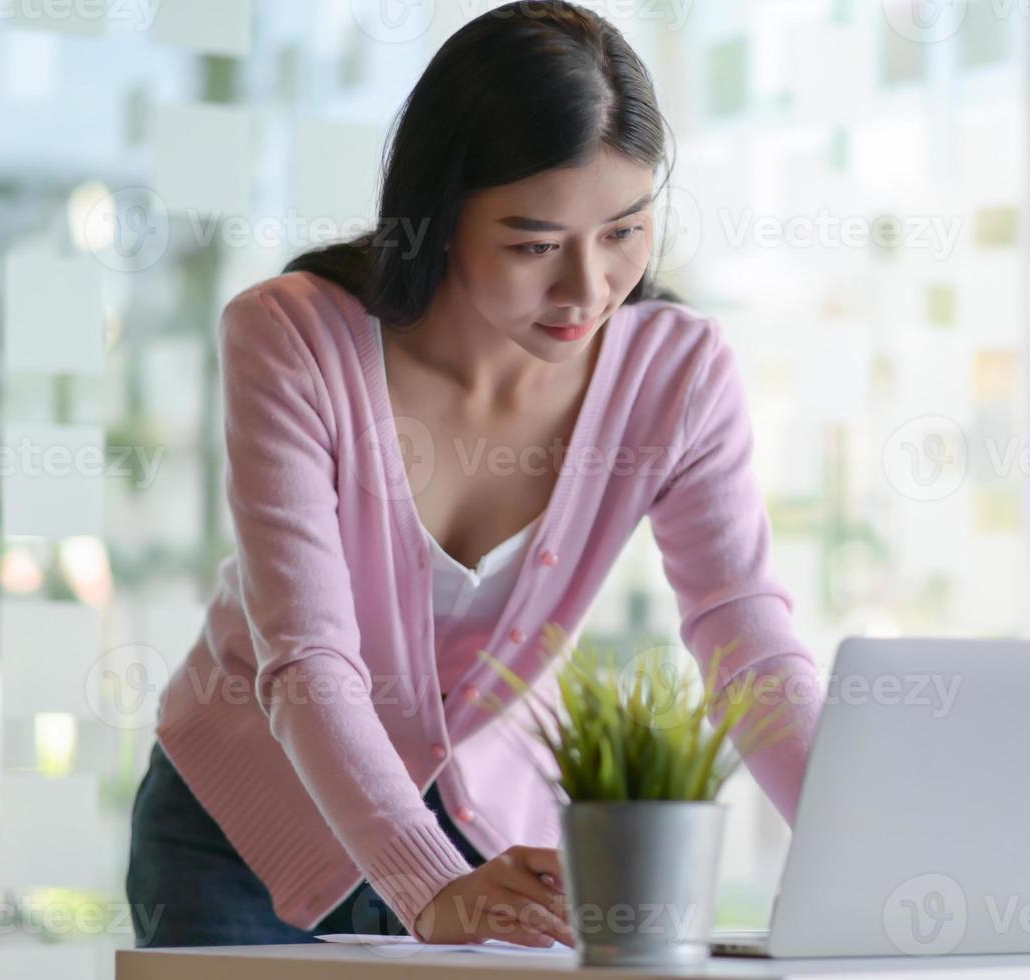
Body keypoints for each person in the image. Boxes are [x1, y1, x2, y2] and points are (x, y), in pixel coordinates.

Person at [126, 0, 821, 948]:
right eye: (534, 244)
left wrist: (863, 854)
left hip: (492, 834)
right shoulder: (293, 338)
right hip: (248, 830)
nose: (587, 290)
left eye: (623, 230)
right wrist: (427, 882)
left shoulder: (678, 374)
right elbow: (308, 657)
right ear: (441, 218)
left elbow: (746, 639)